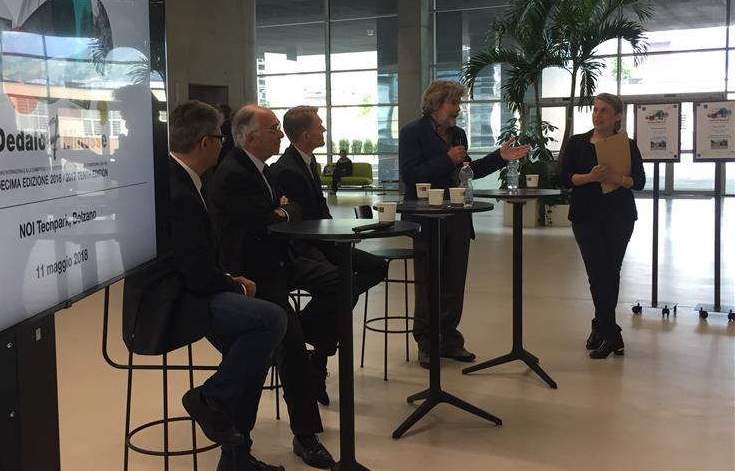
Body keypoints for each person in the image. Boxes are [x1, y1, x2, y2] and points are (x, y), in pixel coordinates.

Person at [123, 100, 287, 471]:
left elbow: (194, 260)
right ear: (204, 143)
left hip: (180, 288)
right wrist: (234, 283)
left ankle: (235, 457)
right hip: (168, 303)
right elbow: (197, 275)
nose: (223, 144)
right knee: (270, 319)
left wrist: (227, 278)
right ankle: (208, 400)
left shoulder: (180, 179)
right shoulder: (179, 193)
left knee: (255, 349)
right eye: (219, 138)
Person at [209, 103, 337, 471]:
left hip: (281, 261)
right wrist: (281, 211)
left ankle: (313, 337)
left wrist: (282, 210)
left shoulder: (261, 169)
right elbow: (265, 223)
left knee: (341, 281)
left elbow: (289, 208)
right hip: (255, 275)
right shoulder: (235, 173)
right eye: (274, 129)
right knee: (290, 348)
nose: (281, 134)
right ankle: (305, 435)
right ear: (251, 138)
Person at [399, 79, 529, 368]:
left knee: (454, 281)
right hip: (425, 219)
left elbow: (468, 171)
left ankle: (449, 339)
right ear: (435, 103)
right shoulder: (412, 133)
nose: (458, 108)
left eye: (459, 102)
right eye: (453, 102)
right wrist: (446, 159)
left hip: (457, 215)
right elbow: (410, 175)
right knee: (428, 281)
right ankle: (427, 342)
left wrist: (499, 157)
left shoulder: (458, 134)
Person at [273, 106, 388, 388]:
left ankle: (304, 329)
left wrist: (337, 234)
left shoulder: (307, 161)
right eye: (319, 126)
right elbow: (300, 222)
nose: (324, 129)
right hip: (302, 246)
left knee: (375, 267)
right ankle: (318, 355)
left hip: (322, 241)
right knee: (344, 286)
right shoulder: (287, 169)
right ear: (305, 135)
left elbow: (320, 211)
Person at [560, 92, 645, 359]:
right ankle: (611, 333)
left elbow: (639, 181)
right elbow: (562, 178)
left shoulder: (627, 145)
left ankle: (601, 328)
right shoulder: (577, 143)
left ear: (617, 116)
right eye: (596, 110)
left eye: (605, 110)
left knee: (610, 272)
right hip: (585, 216)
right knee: (598, 273)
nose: (598, 115)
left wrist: (617, 178)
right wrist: (590, 177)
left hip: (619, 216)